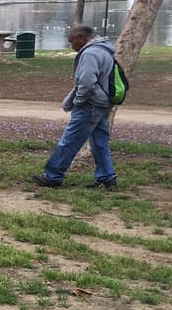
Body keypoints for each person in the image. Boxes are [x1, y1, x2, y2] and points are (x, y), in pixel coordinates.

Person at [33, 23, 119, 190]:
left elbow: (86, 82)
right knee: (100, 142)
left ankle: (53, 176)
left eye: (72, 41)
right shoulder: (104, 51)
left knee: (70, 140)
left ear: (82, 38)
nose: (71, 45)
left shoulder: (90, 53)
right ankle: (107, 178)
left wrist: (79, 101)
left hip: (90, 104)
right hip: (103, 103)